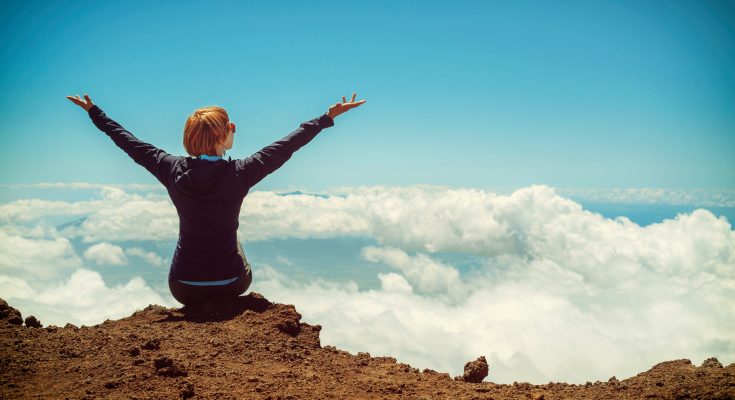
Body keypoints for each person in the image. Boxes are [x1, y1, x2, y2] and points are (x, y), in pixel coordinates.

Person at [66, 92, 366, 306]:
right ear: (222, 136)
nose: (234, 130)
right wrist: (327, 118)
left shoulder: (168, 168)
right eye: (230, 127)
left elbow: (126, 140)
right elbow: (287, 145)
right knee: (232, 238)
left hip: (183, 287)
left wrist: (95, 112)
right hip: (232, 284)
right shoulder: (243, 172)